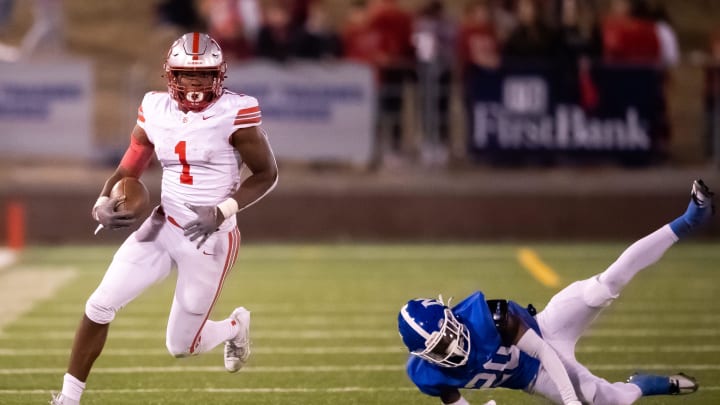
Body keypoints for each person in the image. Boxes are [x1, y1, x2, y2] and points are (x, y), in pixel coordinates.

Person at [50, 32, 279, 405]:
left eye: (204, 75)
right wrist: (102, 202)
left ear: (219, 75)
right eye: (187, 74)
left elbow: (267, 174)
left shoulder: (235, 112)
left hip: (211, 237)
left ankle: (235, 326)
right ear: (169, 75)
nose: (195, 83)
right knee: (99, 305)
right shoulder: (155, 109)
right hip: (162, 223)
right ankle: (68, 399)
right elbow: (129, 167)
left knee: (180, 346)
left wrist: (222, 211)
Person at [398, 179, 714, 405]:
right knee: (609, 400)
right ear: (423, 356)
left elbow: (543, 350)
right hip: (534, 376)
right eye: (440, 347)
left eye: (449, 333)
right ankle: (642, 384)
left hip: (544, 329)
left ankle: (688, 220)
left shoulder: (488, 317)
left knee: (605, 284)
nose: (453, 345)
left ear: (451, 316)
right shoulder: (428, 375)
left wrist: (569, 400)